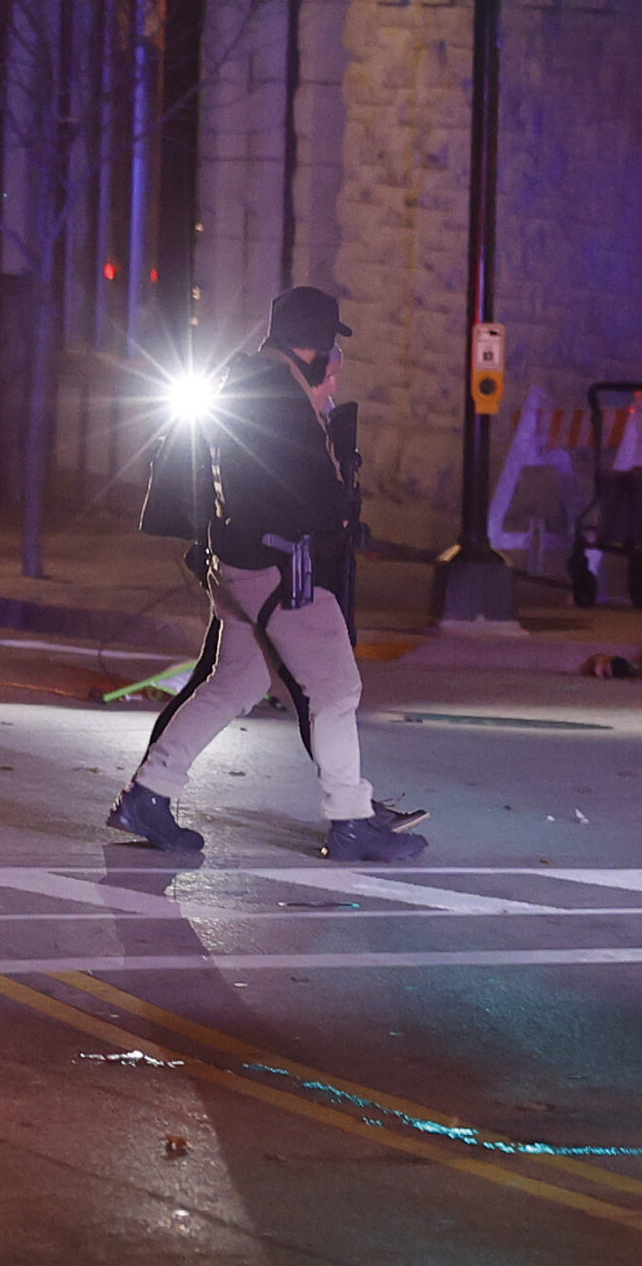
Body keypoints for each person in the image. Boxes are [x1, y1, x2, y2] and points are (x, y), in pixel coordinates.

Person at [109, 286, 426, 862]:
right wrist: (344, 511)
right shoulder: (281, 398)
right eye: (331, 347)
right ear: (317, 346)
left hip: (236, 562)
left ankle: (149, 794)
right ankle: (351, 818)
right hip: (279, 566)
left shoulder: (246, 382)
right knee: (336, 689)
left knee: (235, 683)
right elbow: (309, 494)